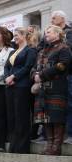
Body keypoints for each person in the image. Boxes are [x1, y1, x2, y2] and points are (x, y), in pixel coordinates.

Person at [31, 25, 71, 155]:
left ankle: (56, 147)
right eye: (45, 32)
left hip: (57, 88)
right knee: (45, 118)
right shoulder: (42, 51)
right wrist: (34, 75)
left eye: (49, 32)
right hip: (42, 90)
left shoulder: (64, 48)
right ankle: (49, 145)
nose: (46, 34)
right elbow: (33, 67)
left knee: (56, 117)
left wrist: (41, 75)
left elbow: (62, 66)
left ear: (58, 34)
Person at [4, 27, 37, 153]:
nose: (15, 38)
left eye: (17, 35)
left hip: (22, 86)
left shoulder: (30, 50)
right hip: (10, 86)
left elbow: (28, 66)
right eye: (15, 35)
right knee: (12, 116)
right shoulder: (13, 52)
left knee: (21, 116)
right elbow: (6, 67)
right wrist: (8, 77)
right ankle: (14, 145)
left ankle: (22, 147)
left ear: (24, 36)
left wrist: (14, 76)